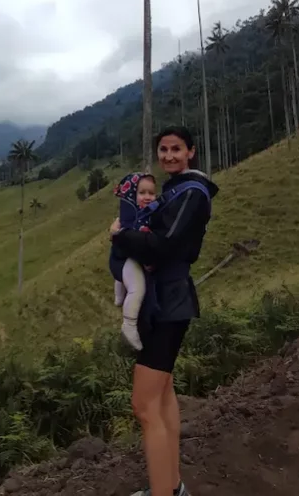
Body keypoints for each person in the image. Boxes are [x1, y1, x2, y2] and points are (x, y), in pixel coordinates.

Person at [109, 126, 218, 496]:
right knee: (163, 395)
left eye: (176, 149)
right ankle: (172, 486)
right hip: (166, 300)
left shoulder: (191, 193)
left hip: (169, 302)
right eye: (163, 149)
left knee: (143, 405)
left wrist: (120, 236)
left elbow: (161, 245)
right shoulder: (176, 190)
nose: (169, 155)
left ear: (191, 152)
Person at [110, 172, 158, 350]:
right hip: (131, 259)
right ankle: (129, 324)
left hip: (127, 260)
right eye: (142, 193)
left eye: (151, 193)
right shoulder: (131, 218)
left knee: (124, 277)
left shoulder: (148, 214)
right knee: (138, 288)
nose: (147, 197)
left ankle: (119, 296)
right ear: (132, 195)